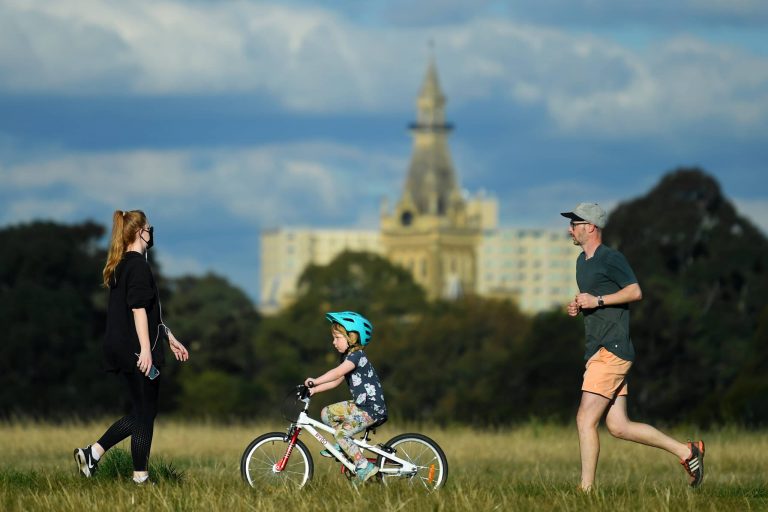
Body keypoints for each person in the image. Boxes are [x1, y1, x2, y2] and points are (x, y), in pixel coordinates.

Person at [561, 202, 704, 492]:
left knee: (584, 419)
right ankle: (687, 452)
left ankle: (585, 490)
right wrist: (578, 305)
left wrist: (597, 301)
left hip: (611, 349)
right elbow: (593, 298)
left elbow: (634, 291)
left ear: (589, 227)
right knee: (619, 426)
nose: (569, 229)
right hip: (597, 349)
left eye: (574, 224)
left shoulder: (611, 258)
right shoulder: (581, 262)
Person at [74, 210, 189, 484]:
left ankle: (94, 453)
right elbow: (138, 309)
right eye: (149, 227)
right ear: (140, 232)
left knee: (142, 411)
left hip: (122, 346)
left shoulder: (121, 264)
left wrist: (168, 336)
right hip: (136, 348)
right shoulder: (138, 265)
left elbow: (148, 311)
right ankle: (139, 476)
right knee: (146, 413)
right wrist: (147, 350)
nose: (152, 232)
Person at [304, 311, 387, 484]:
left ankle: (364, 466)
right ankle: (343, 448)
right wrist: (314, 390)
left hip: (371, 409)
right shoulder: (348, 358)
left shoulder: (357, 357)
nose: (333, 342)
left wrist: (315, 380)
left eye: (337, 338)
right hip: (360, 406)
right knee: (327, 413)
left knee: (341, 434)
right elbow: (335, 382)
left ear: (352, 337)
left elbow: (336, 373)